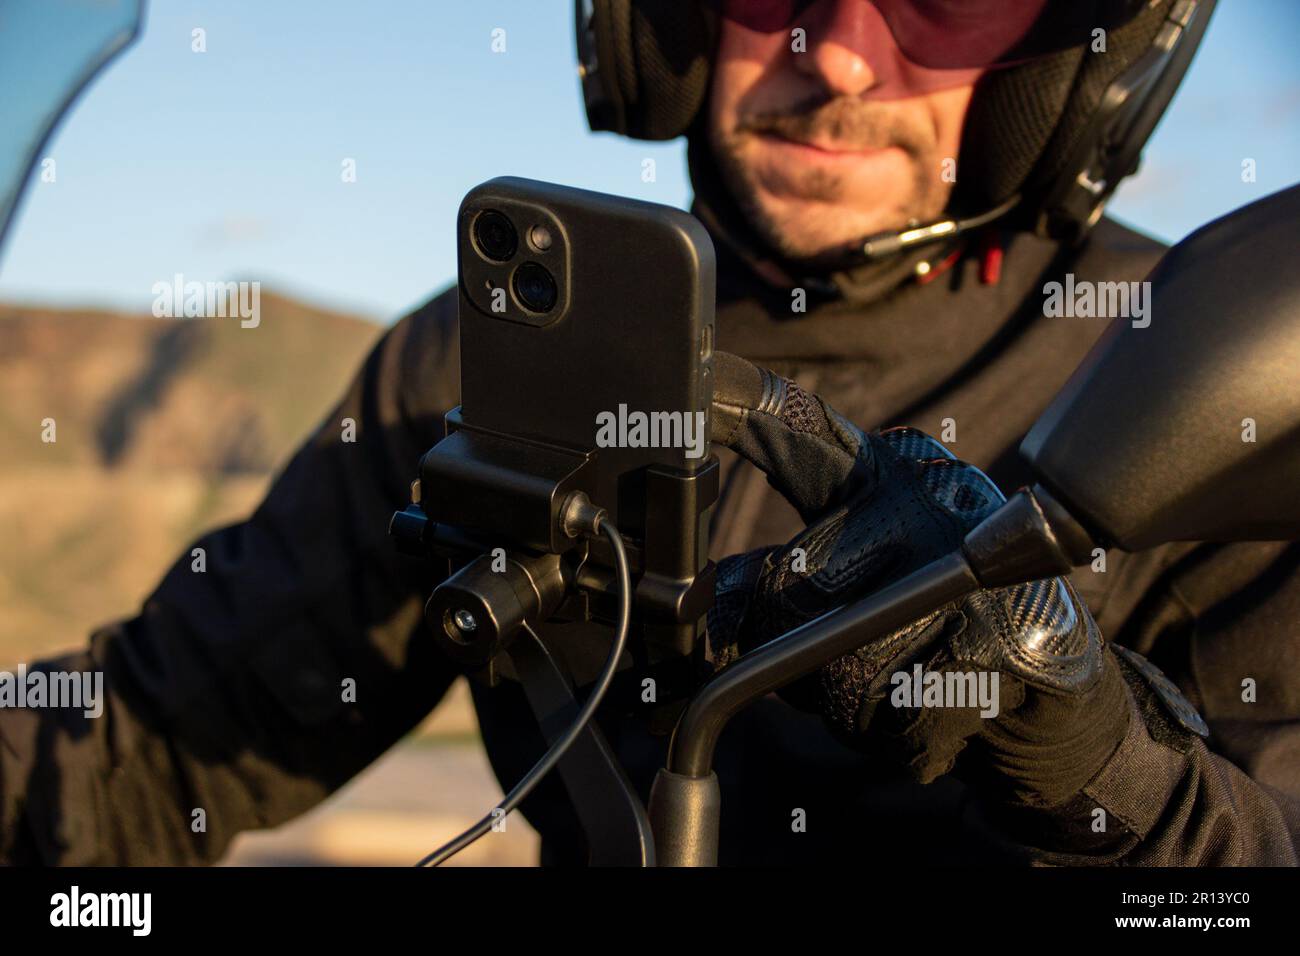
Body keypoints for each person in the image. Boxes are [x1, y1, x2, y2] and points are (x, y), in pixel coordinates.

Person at [1, 0, 1295, 866]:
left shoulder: (1204, 378)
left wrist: (1096, 752)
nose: (837, 56)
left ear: (1075, 59)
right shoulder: (487, 362)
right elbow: (147, 741)